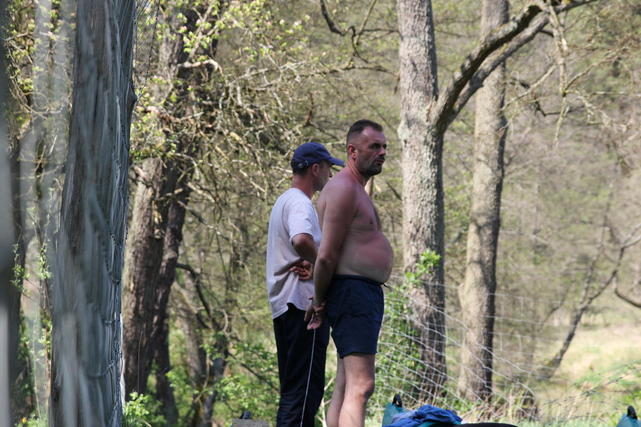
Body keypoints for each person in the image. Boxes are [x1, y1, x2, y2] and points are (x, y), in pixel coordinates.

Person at [306, 120, 393, 427]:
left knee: (345, 386)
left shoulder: (355, 189)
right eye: (374, 147)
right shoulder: (343, 189)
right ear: (352, 151)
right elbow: (326, 255)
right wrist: (318, 300)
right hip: (353, 293)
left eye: (384, 147)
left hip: (359, 292)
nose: (382, 153)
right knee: (362, 385)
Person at [266, 141, 345, 427]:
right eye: (328, 168)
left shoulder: (284, 201)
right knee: (304, 396)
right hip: (302, 307)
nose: (330, 175)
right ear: (315, 168)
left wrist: (312, 263)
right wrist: (323, 263)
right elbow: (301, 240)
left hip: (285, 306)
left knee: (294, 391)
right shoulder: (300, 202)